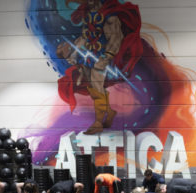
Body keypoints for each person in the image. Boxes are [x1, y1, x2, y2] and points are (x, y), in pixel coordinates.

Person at [55, 0, 141, 134]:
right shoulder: (88, 15)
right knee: (94, 88)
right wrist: (74, 54)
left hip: (101, 56)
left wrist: (106, 57)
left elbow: (116, 38)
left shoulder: (109, 16)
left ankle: (98, 122)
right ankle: (110, 112)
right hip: (88, 57)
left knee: (97, 86)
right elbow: (84, 38)